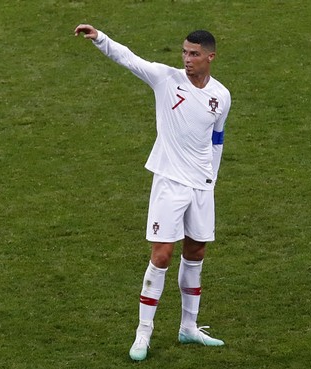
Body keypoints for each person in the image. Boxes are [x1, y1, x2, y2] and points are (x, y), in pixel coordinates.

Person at [74, 24, 232, 361]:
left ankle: (189, 328)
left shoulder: (222, 96)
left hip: (202, 186)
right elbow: (129, 59)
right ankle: (142, 333)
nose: (187, 59)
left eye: (194, 54)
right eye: (184, 53)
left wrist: (212, 178)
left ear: (210, 57)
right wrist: (100, 38)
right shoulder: (165, 78)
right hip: (170, 182)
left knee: (196, 253)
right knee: (161, 255)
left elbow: (217, 139)